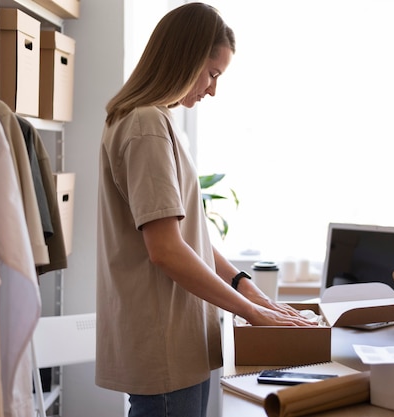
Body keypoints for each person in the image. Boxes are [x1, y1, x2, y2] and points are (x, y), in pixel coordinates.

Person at [95, 3, 316, 417]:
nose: (212, 89)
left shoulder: (152, 121)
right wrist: (251, 314)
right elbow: (166, 250)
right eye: (212, 74)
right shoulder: (146, 126)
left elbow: (186, 237)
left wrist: (245, 286)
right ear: (185, 58)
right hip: (166, 349)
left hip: (176, 344)